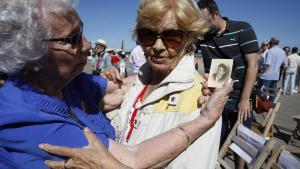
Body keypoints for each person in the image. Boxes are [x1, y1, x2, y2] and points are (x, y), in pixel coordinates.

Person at [0, 0, 232, 169]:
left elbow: (120, 90)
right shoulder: (22, 116)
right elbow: (132, 159)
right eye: (148, 36)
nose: (89, 44)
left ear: (189, 37)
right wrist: (205, 119)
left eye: (171, 35)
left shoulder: (72, 83)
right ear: (31, 55)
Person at [196, 0, 259, 168]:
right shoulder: (202, 36)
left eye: (205, 21)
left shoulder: (242, 28)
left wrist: (245, 99)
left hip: (240, 95)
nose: (203, 26)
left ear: (215, 13)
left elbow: (253, 65)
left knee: (241, 137)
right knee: (215, 137)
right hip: (215, 96)